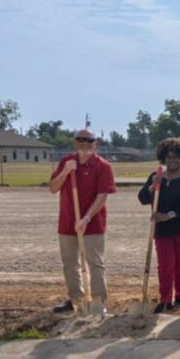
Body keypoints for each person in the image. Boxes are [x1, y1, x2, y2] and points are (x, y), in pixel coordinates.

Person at [48, 130, 116, 313]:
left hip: (93, 223)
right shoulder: (66, 162)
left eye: (89, 140)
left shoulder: (103, 166)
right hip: (67, 222)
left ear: (95, 144)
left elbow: (102, 196)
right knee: (70, 262)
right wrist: (65, 171)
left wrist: (86, 218)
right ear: (75, 142)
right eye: (80, 139)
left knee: (95, 263)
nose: (84, 143)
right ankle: (75, 299)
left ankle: (98, 301)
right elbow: (53, 188)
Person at [137, 137, 180, 313]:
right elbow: (142, 199)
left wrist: (169, 215)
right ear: (163, 157)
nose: (172, 160)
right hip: (162, 229)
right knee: (165, 264)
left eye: (176, 156)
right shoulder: (156, 176)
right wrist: (152, 188)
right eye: (169, 157)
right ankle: (165, 299)